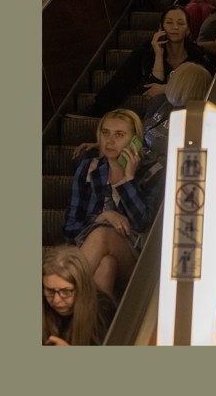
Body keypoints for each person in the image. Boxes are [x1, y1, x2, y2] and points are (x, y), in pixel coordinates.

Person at [62, 108, 153, 297]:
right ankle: (89, 325)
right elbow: (70, 228)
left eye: (119, 135)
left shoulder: (152, 172)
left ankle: (58, 298)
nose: (109, 141)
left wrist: (127, 181)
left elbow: (144, 224)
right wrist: (103, 216)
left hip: (136, 259)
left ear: (135, 140)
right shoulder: (88, 168)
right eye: (105, 133)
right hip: (90, 252)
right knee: (106, 266)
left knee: (103, 235)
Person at [93, 5, 215, 115]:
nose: (175, 27)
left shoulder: (197, 55)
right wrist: (158, 54)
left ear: (188, 30)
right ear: (161, 28)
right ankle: (98, 108)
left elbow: (199, 88)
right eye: (169, 22)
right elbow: (151, 90)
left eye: (181, 23)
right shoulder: (148, 52)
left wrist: (165, 88)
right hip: (157, 108)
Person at [42, 245, 114, 346]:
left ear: (82, 287)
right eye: (49, 291)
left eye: (65, 292)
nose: (56, 300)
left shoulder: (102, 310)